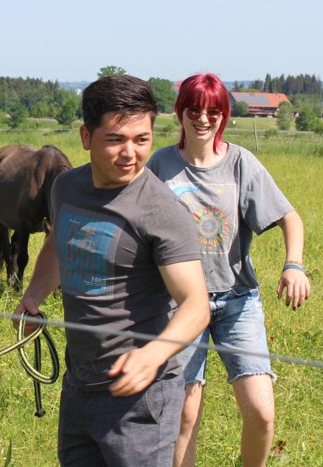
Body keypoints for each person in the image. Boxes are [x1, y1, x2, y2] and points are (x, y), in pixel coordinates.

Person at [14, 75, 210, 466]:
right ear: (86, 137)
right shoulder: (66, 188)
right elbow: (57, 243)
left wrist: (153, 354)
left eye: (142, 139)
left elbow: (195, 305)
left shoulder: (162, 212)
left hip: (139, 399)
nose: (130, 154)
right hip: (80, 384)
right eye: (115, 139)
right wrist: (34, 296)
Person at [146, 73, 311, 467]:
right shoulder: (160, 165)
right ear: (180, 112)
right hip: (180, 303)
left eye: (213, 111)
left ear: (224, 116)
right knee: (184, 415)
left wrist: (294, 264)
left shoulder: (241, 164)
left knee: (262, 412)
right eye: (194, 109)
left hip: (237, 301)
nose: (203, 119)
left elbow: (290, 218)